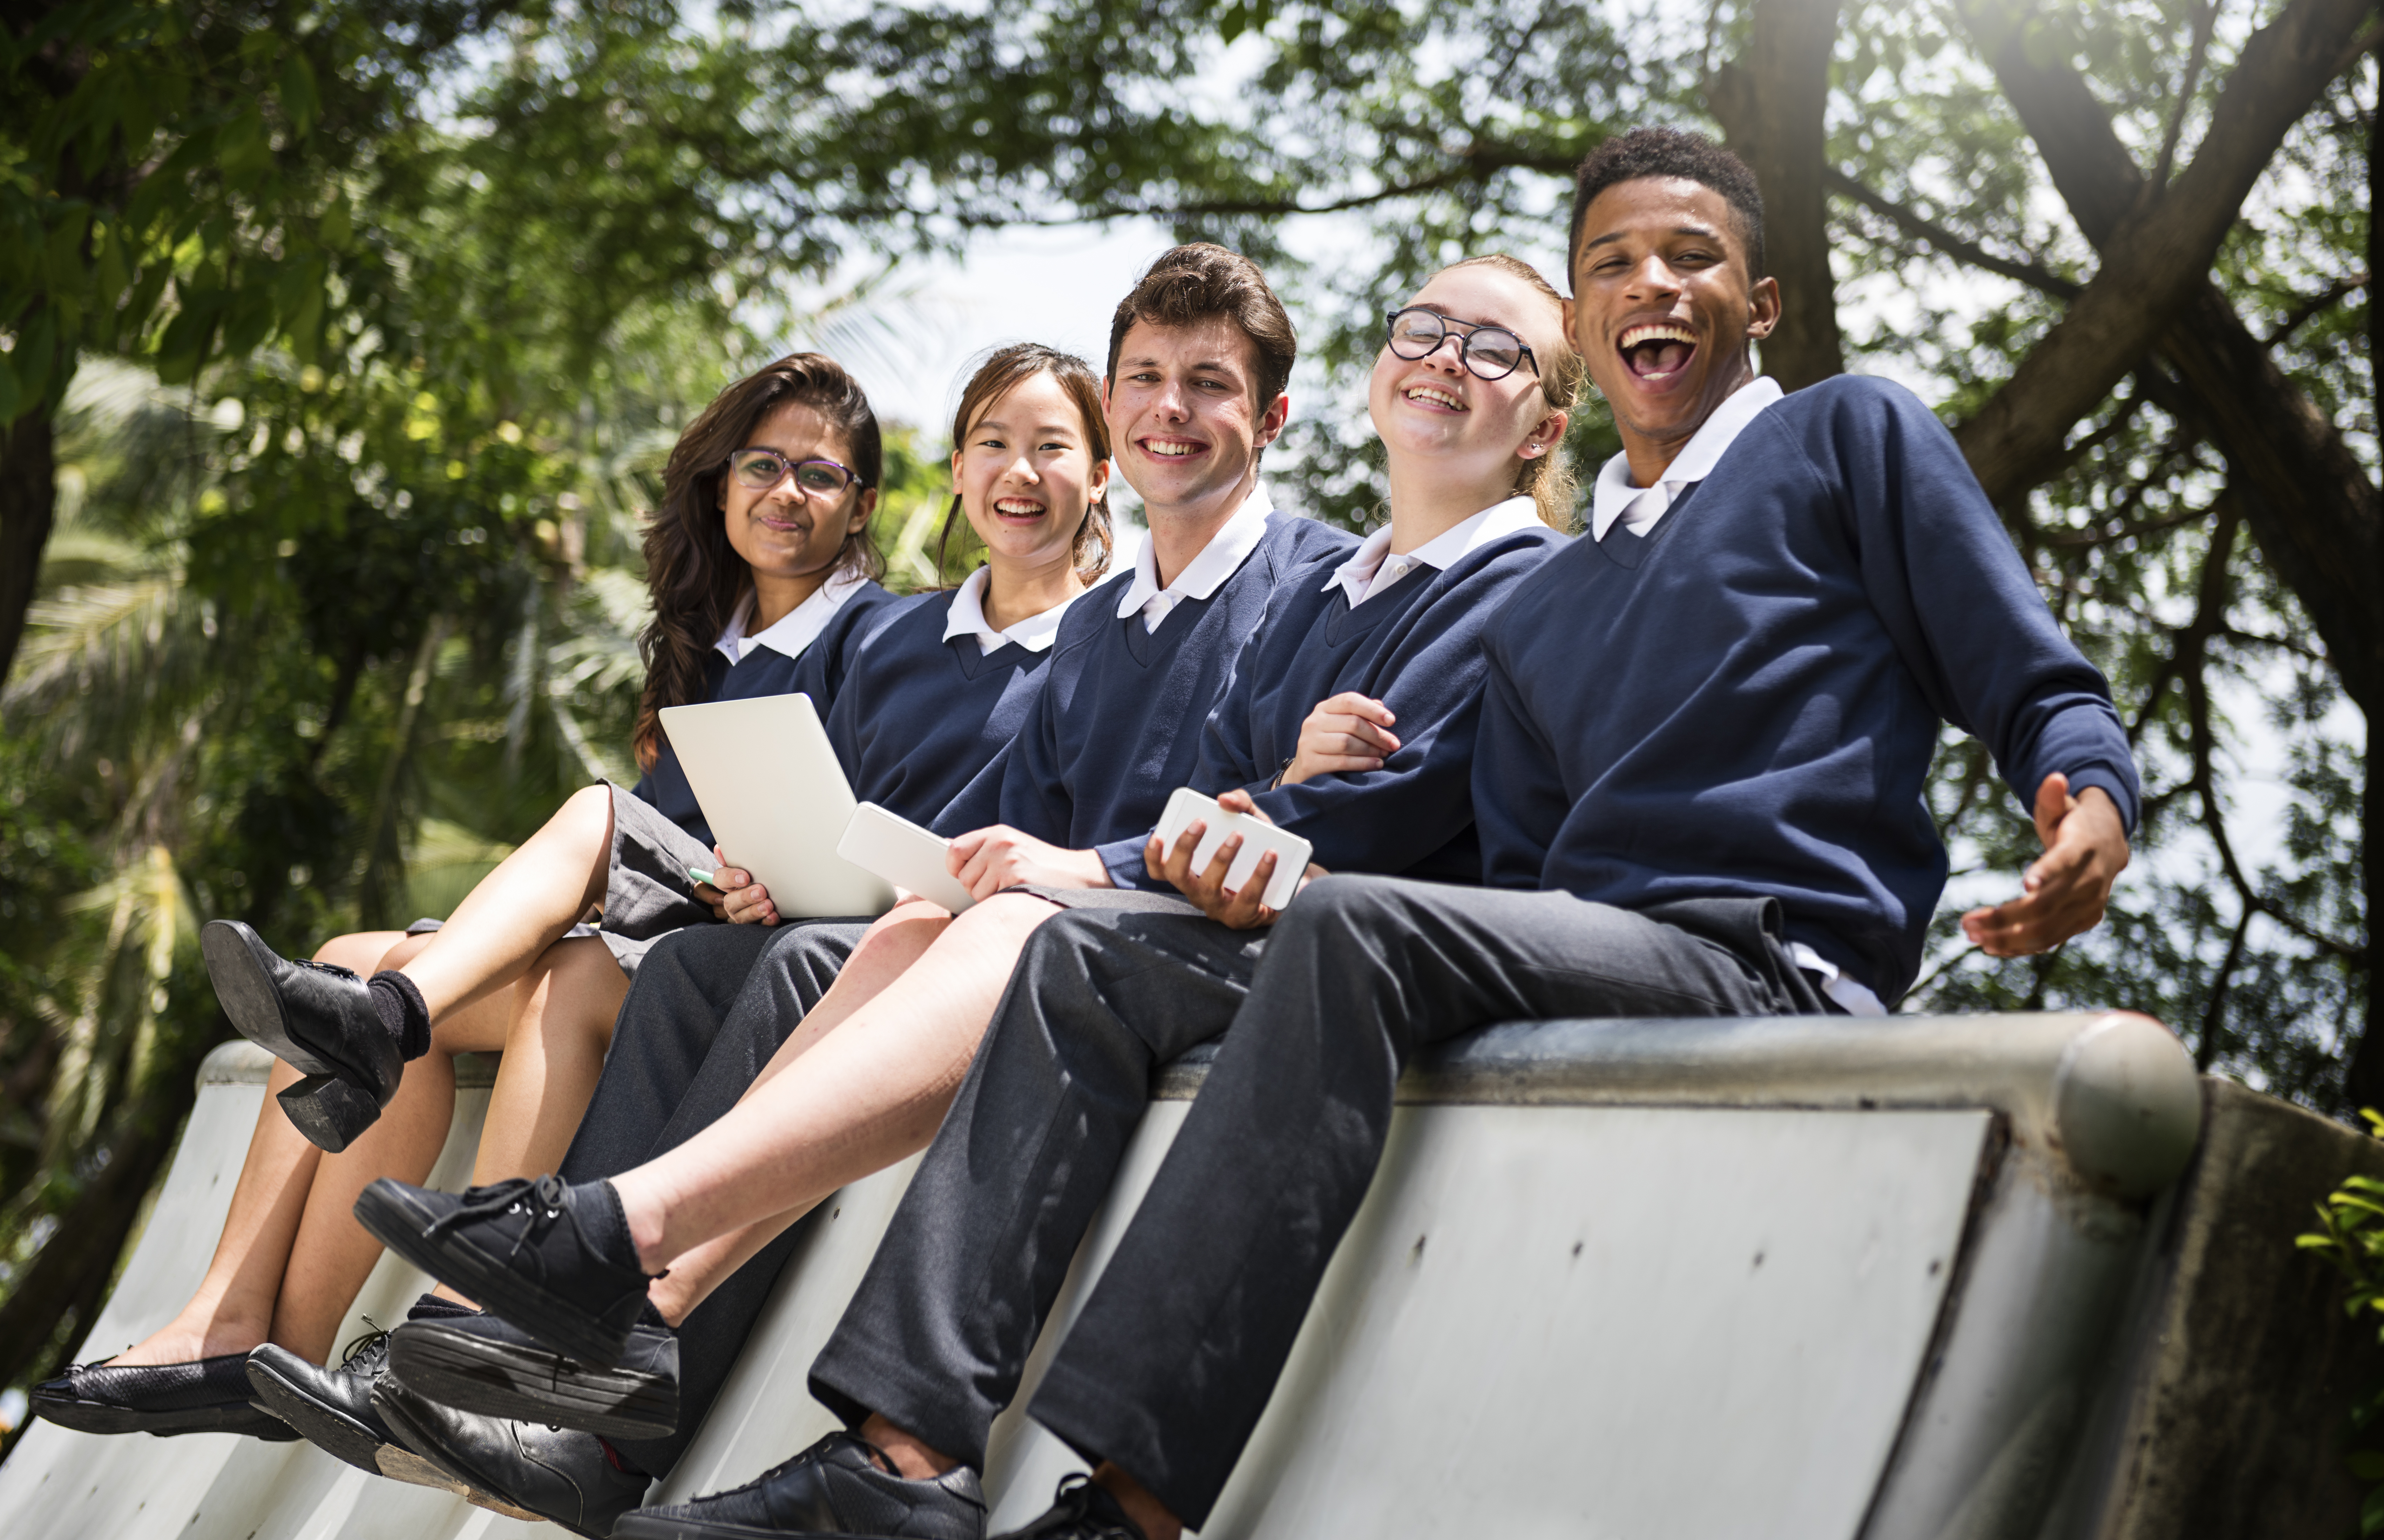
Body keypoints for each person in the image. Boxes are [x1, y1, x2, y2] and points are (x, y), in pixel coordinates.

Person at [461, 126, 2140, 1540]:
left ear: (1754, 303)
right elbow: (1487, 848)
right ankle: (899, 1459)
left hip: (1760, 955)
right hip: (1578, 952)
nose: (1656, 287)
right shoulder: (1562, 604)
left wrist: (2083, 798)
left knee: (1340, 930)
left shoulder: (1841, 435)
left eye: (1693, 259)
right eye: (1616, 261)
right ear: (1587, 307)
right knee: (1083, 960)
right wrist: (1269, 828)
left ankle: (1125, 1504)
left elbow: (2027, 672)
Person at [359, 246, 1586, 1537]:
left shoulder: (1420, 583)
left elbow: (1315, 815)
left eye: (1493, 347)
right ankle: (642, 1326)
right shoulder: (1327, 596)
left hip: (1305, 951)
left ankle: (630, 1267)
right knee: (869, 931)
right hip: (1176, 916)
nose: (1448, 357)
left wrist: (1195, 827)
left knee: (981, 934)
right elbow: (1125, 802)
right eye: (1425, 329)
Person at [254, 341, 1119, 1532]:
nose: (1020, 472)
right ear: (959, 474)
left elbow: (1072, 831)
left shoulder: (1113, 639)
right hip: (837, 915)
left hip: (958, 949)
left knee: (780, 960)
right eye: (994, 445)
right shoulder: (898, 640)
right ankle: (529, 1330)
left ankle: (607, 1411)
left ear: (1103, 473)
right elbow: (837, 799)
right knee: (697, 968)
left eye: (1053, 447)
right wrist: (776, 868)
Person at [28, 354, 891, 1466]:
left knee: (566, 913)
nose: (786, 493)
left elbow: (864, 827)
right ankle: (249, 1330)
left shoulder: (875, 639)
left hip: (723, 971)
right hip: (639, 927)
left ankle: (456, 1317)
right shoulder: (706, 648)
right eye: (763, 465)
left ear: (862, 504)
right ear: (720, 485)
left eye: (820, 475)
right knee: (345, 962)